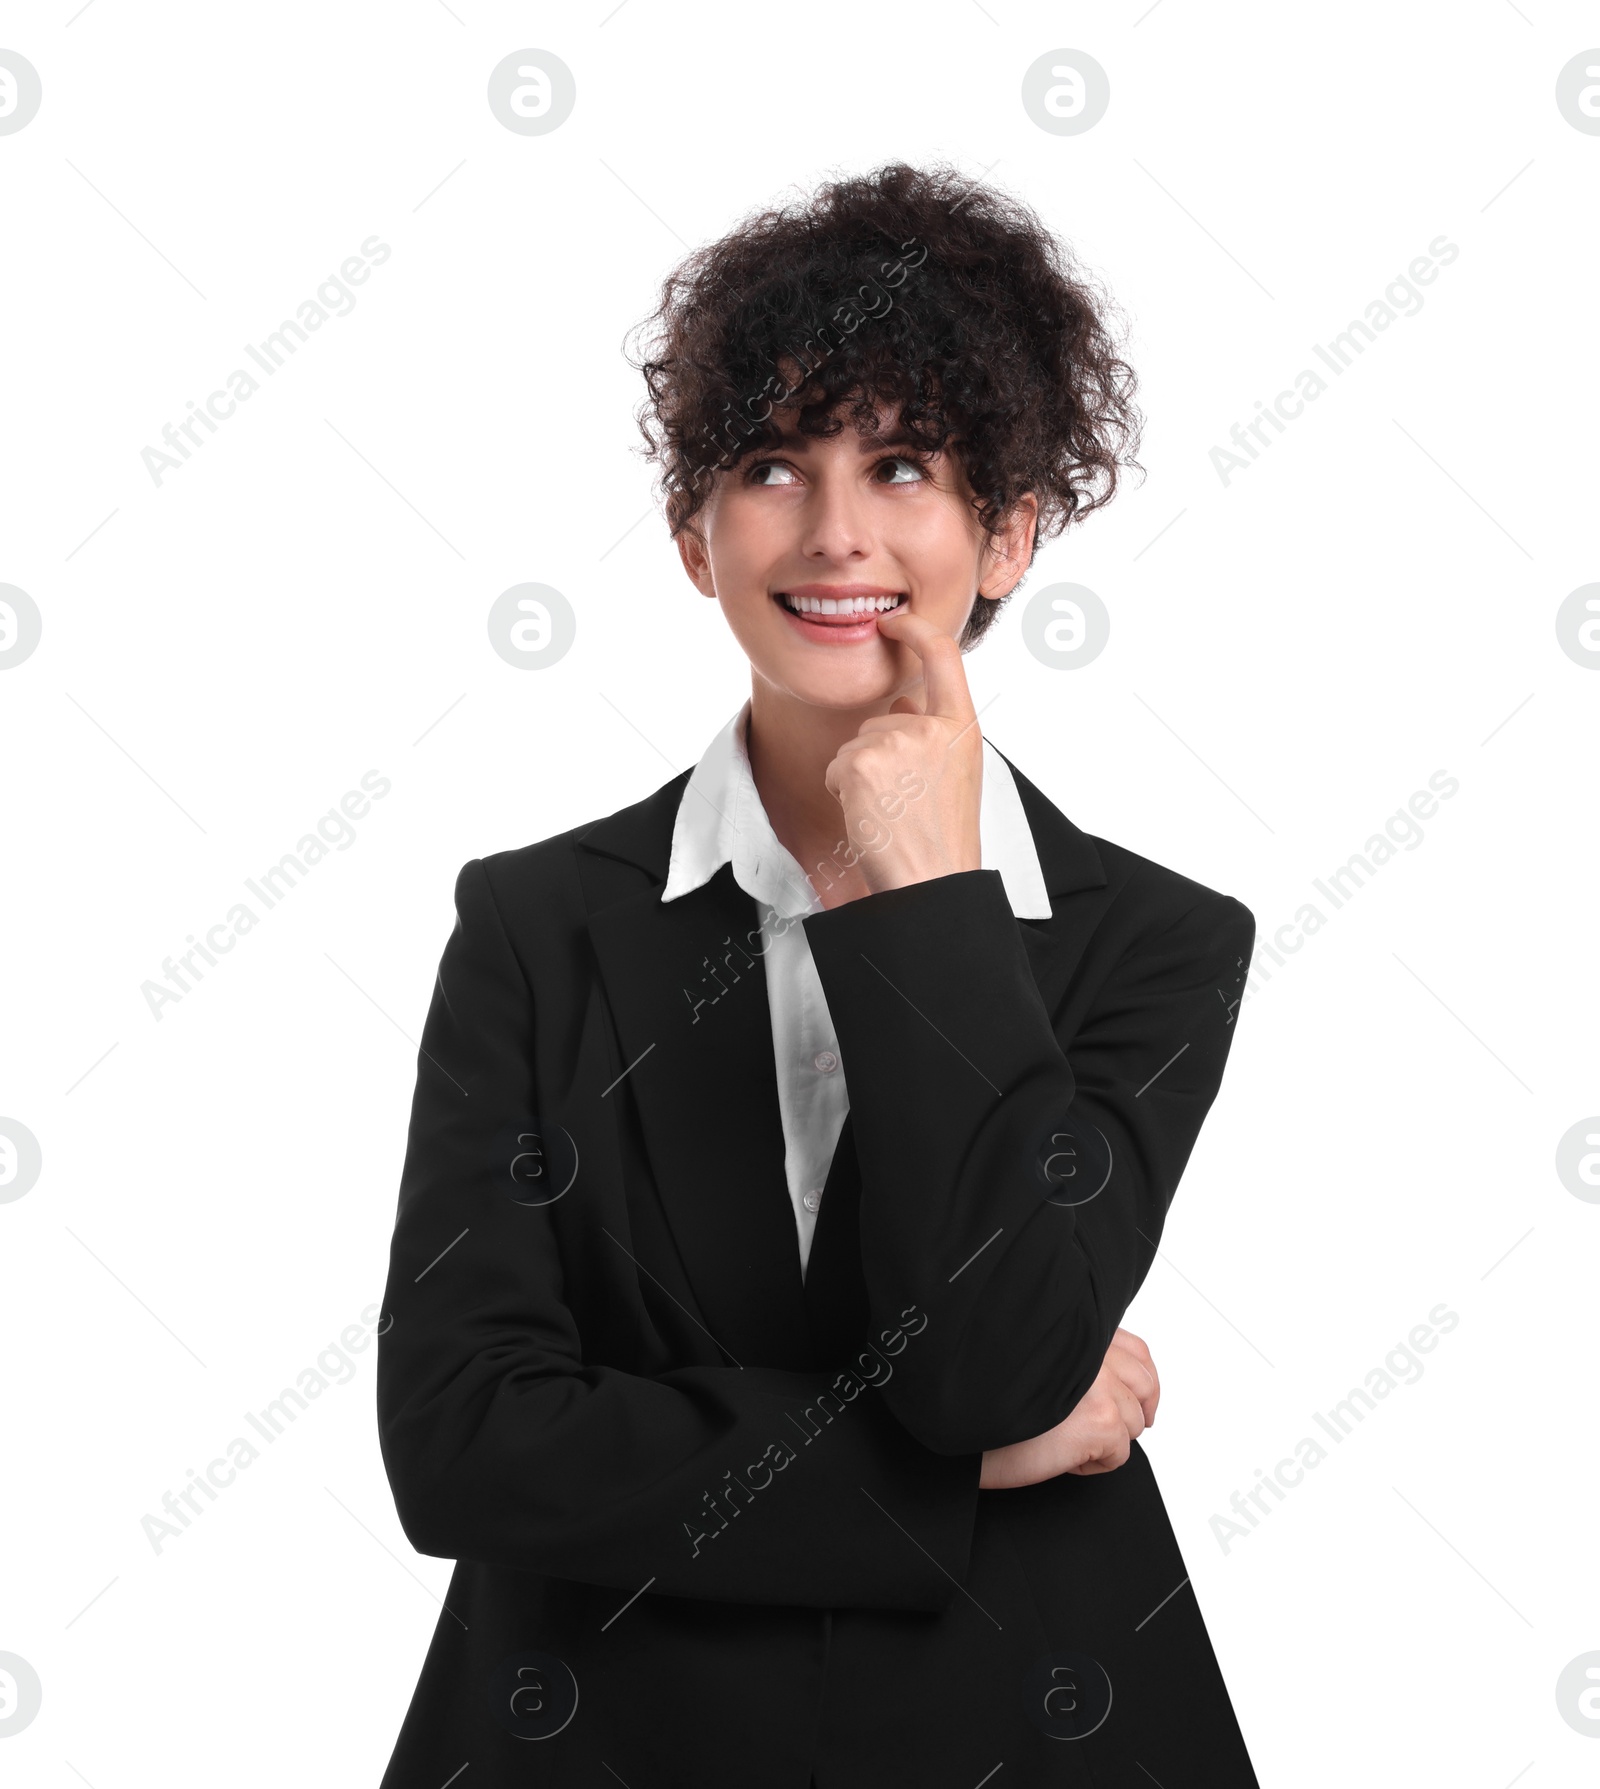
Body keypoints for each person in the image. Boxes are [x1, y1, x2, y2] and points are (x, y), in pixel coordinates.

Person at [375, 161, 1260, 1787]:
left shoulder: (1161, 942)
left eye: (905, 464)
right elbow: (463, 1446)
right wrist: (952, 1477)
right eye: (774, 464)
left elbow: (987, 1361)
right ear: (695, 540)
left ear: (1007, 534)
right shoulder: (534, 926)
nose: (838, 530)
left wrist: (921, 890)